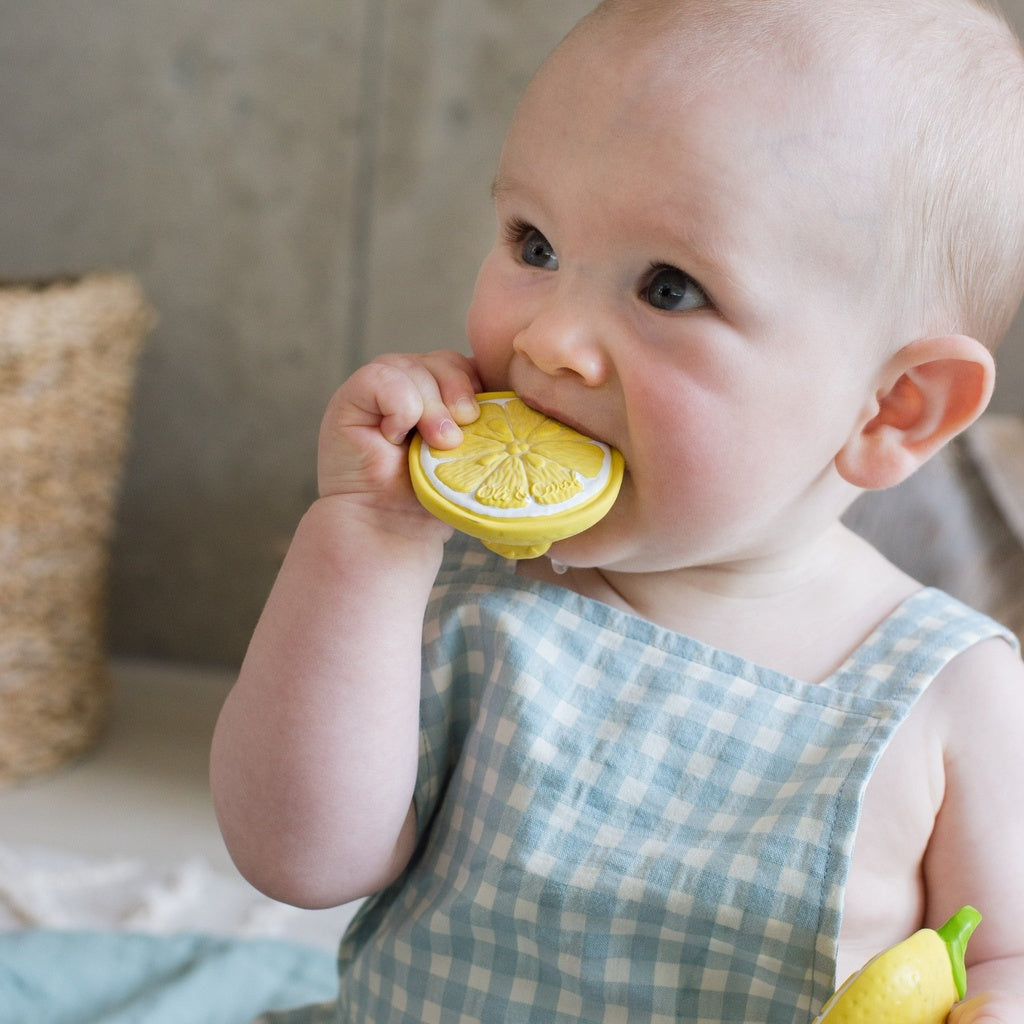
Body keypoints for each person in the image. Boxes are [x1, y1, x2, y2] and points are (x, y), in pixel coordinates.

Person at [210, 0, 1024, 1019]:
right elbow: (294, 858)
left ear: (892, 407)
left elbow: (1006, 956)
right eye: (535, 243)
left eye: (671, 288)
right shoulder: (455, 573)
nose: (550, 339)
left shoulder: (948, 692)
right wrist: (363, 544)